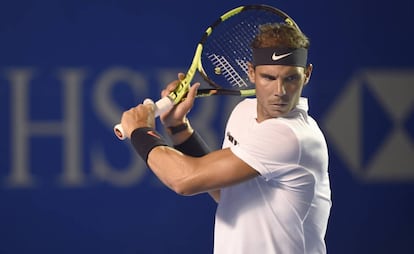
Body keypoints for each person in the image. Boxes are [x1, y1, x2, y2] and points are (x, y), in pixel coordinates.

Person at [120, 22, 332, 254]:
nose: (279, 91)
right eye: (268, 78)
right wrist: (177, 127)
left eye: (291, 79)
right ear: (251, 72)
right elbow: (226, 190)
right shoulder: (243, 112)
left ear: (307, 74)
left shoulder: (291, 136)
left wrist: (140, 131)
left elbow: (184, 181)